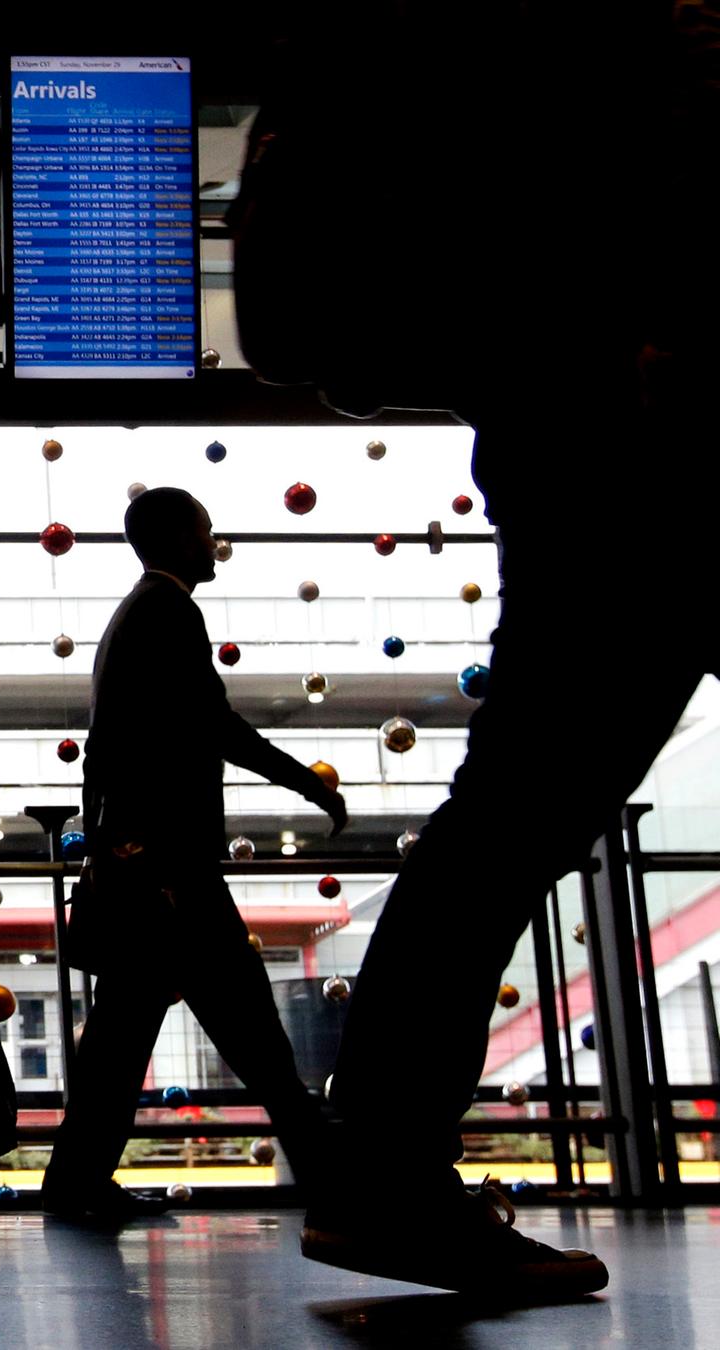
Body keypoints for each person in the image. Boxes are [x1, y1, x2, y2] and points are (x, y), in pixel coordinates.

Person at [232, 6, 718, 1298]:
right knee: (512, 820)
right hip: (639, 439)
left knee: (509, 820)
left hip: (580, 445)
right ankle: (383, 1168)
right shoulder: (614, 51)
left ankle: (381, 1169)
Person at [41, 486, 347, 1224]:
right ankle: (335, 1182)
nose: (213, 544)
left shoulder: (133, 616)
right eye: (205, 531)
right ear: (179, 537)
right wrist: (307, 782)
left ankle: (76, 1182)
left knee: (123, 1039)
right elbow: (217, 725)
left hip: (142, 865)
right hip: (172, 870)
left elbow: (106, 749)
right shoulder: (169, 612)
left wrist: (107, 842)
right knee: (250, 1032)